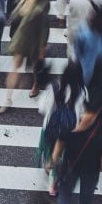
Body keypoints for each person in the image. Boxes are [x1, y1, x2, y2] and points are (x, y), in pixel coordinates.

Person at [50, 100, 102, 204]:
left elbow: (59, 144)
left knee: (76, 195)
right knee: (81, 195)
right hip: (84, 169)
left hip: (77, 168)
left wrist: (53, 161)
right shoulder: (99, 132)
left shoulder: (72, 128)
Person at [0, 0, 50, 112]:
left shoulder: (44, 4)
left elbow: (45, 26)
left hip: (34, 40)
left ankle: (36, 84)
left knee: (35, 66)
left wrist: (42, 46)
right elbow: (16, 14)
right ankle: (8, 99)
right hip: (22, 38)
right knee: (15, 68)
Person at [37, 62, 83, 196]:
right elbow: (81, 113)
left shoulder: (54, 87)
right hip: (68, 131)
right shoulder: (81, 91)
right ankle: (53, 185)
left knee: (49, 150)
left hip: (50, 127)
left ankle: (48, 164)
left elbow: (42, 108)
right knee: (61, 156)